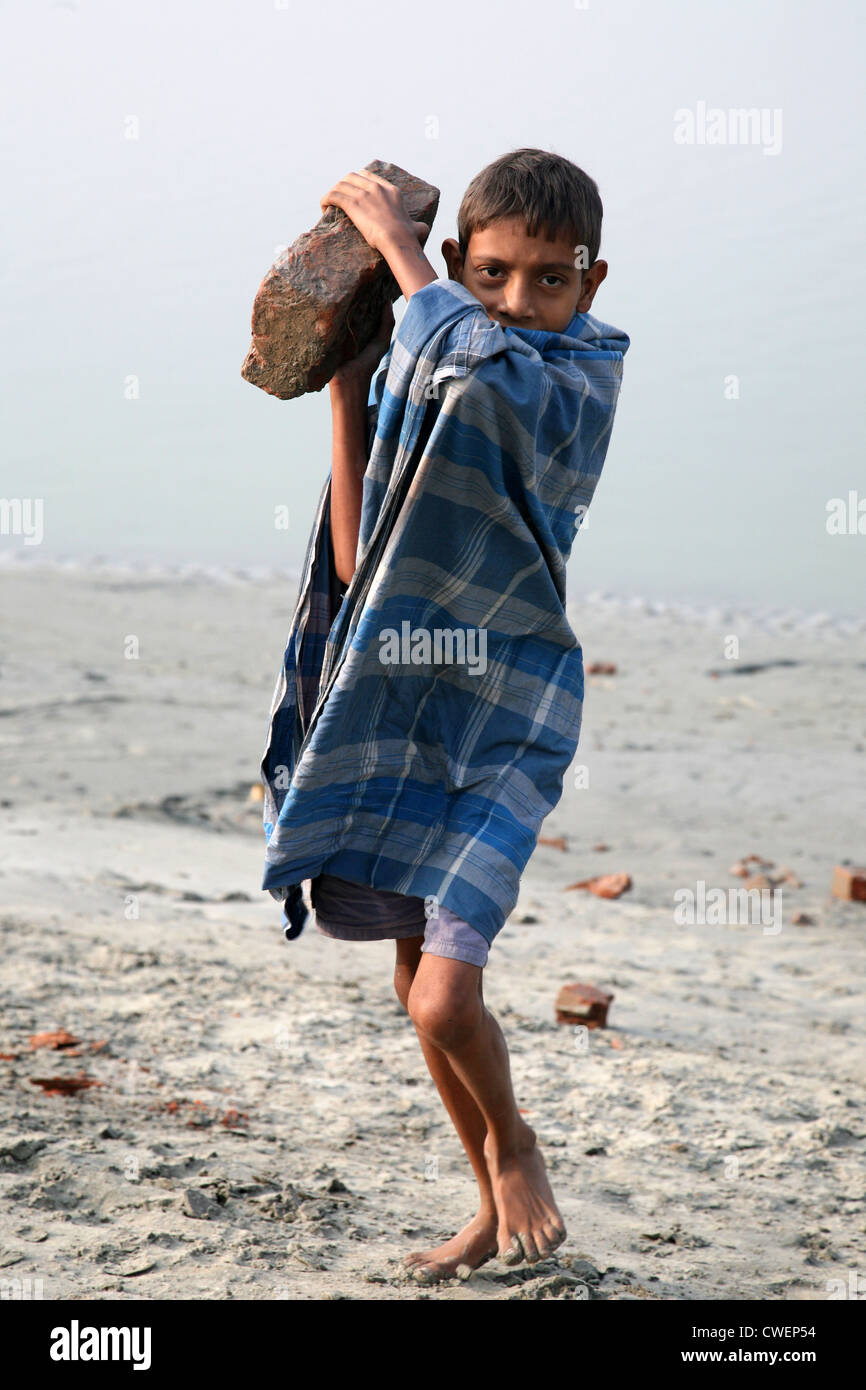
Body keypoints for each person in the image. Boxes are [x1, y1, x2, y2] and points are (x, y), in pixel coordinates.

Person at [259, 148, 629, 1283]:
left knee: (442, 995)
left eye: (549, 280)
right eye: (495, 274)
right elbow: (353, 553)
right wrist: (341, 379)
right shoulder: (430, 355)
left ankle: (515, 1149)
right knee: (412, 984)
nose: (520, 301)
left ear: (591, 283)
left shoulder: (570, 379)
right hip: (400, 700)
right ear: (468, 263)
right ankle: (484, 1203)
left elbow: (483, 374)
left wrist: (401, 253)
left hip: (505, 716)